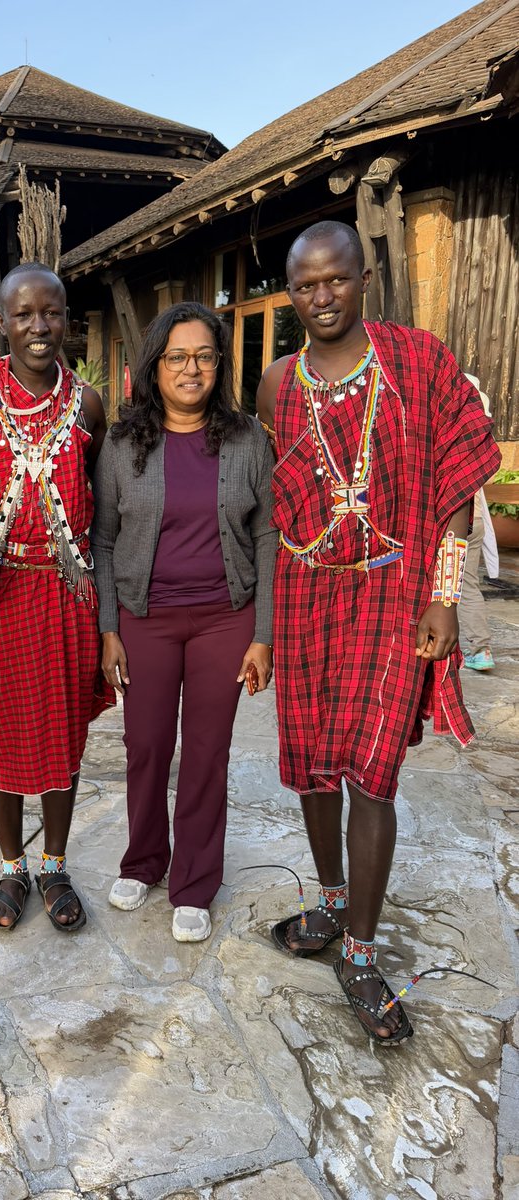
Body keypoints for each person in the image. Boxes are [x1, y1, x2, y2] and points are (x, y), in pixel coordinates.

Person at [256, 220, 499, 1042]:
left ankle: (361, 951)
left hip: (396, 594)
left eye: (336, 280)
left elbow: (459, 474)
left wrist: (445, 594)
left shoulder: (416, 361)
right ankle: (327, 904)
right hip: (305, 593)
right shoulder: (276, 384)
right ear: (291, 295)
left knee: (373, 771)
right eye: (305, 286)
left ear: (364, 279)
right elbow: (267, 500)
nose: (322, 297)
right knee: (316, 765)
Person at [92, 301, 276, 944]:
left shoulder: (248, 438)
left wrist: (263, 634)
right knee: (145, 745)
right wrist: (109, 627)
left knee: (206, 752)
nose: (191, 368)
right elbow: (105, 541)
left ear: (219, 363)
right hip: (146, 617)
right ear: (155, 366)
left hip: (225, 620)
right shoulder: (121, 444)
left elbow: (267, 535)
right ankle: (143, 859)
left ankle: (194, 883)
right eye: (177, 356)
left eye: (203, 355)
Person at [0, 263, 111, 934]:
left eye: (52, 312)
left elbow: (106, 506)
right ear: (1, 322)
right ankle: (12, 866)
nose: (39, 326)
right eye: (24, 314)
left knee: (63, 731)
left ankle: (55, 863)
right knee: (3, 735)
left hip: (68, 594)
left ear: (68, 318)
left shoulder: (90, 403)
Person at [460, 376, 498, 672]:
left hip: (453, 522)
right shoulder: (479, 440)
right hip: (474, 518)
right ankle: (479, 647)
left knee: (456, 583)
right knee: (467, 582)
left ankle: (477, 647)